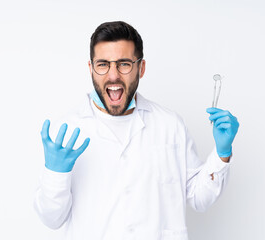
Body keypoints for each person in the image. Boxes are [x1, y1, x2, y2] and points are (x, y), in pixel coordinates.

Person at [34, 21, 239, 240]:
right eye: (103, 64)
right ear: (91, 68)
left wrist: (222, 154)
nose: (113, 75)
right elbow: (52, 219)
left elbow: (200, 198)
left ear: (141, 68)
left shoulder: (169, 125)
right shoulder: (67, 131)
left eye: (124, 64)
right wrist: (55, 174)